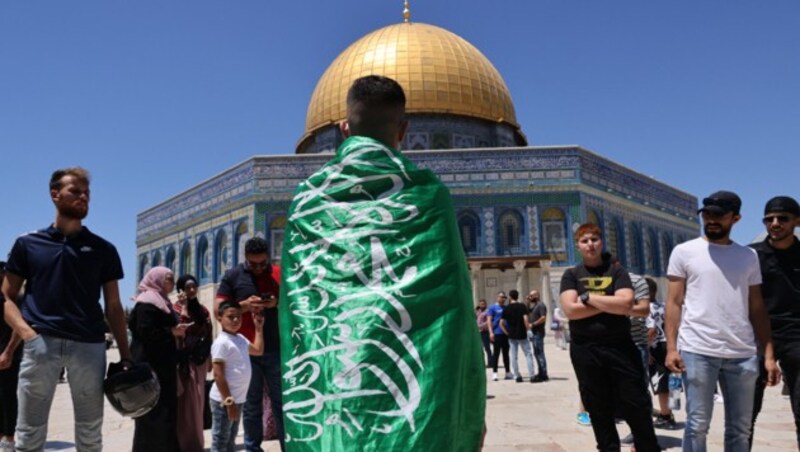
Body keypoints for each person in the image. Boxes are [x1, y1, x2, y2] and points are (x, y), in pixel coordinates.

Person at [279, 75, 485, 450]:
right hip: (410, 397)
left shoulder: (309, 201)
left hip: (336, 382)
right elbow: (453, 315)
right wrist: (466, 407)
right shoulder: (428, 193)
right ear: (403, 130)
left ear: (344, 129)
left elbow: (299, 310)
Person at [1, 167, 132, 451]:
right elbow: (6, 298)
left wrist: (126, 355)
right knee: (29, 435)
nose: (83, 196)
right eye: (75, 191)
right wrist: (27, 335)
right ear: (54, 194)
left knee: (89, 434)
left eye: (87, 192)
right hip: (41, 345)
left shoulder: (103, 249)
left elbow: (113, 306)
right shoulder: (28, 244)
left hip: (89, 347)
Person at [665, 190, 780, 451]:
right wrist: (672, 348)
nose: (712, 220)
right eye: (707, 214)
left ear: (735, 218)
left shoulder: (748, 256)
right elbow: (673, 302)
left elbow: (757, 307)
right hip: (698, 349)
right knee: (696, 425)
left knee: (740, 428)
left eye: (719, 215)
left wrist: (769, 354)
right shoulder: (684, 252)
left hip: (742, 351)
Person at [560, 223, 659, 451]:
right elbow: (571, 311)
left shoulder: (617, 272)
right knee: (597, 406)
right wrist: (608, 302)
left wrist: (587, 298)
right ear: (578, 245)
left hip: (620, 347)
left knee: (636, 403)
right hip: (585, 349)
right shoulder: (572, 274)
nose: (590, 244)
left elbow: (626, 304)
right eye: (584, 241)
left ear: (601, 241)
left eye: (594, 239)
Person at [216, 237, 283, 452]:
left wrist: (277, 302)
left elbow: (297, 303)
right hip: (246, 351)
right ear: (245, 259)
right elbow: (219, 310)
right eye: (253, 264)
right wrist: (243, 306)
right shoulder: (233, 276)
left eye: (263, 263)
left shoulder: (277, 274)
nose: (258, 268)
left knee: (280, 402)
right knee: (252, 404)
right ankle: (253, 448)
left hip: (275, 348)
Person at [749, 196, 800, 449]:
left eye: (783, 218)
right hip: (756, 337)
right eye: (769, 219)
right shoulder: (750, 256)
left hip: (796, 337)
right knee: (745, 414)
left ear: (797, 221)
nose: (775, 223)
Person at [129, 266, 187, 452]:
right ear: (157, 280)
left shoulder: (161, 302)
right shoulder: (147, 303)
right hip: (151, 369)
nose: (171, 282)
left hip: (163, 368)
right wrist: (171, 331)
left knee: (165, 415)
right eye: (168, 279)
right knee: (152, 417)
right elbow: (145, 332)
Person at [210, 301, 264, 452]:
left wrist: (258, 328)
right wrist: (229, 402)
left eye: (238, 317)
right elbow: (218, 374)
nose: (235, 320)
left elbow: (258, 351)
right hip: (224, 400)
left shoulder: (240, 338)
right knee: (220, 440)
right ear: (219, 318)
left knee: (230, 442)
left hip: (238, 399)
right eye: (230, 317)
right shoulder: (222, 342)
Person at [175, 274, 213, 452]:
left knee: (198, 402)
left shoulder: (202, 310)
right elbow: (180, 334)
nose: (191, 290)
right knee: (186, 404)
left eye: (193, 286)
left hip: (200, 361)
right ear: (180, 289)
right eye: (187, 287)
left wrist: (210, 358)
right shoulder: (175, 309)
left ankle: (196, 444)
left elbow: (208, 333)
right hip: (184, 362)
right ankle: (185, 444)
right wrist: (183, 308)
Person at [645, 277, 676, 430]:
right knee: (673, 382)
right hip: (670, 344)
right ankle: (672, 410)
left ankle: (665, 416)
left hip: (657, 347)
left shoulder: (647, 308)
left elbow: (651, 330)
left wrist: (647, 349)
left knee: (660, 382)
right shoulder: (662, 305)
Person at [0, 262, 22, 451]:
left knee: (7, 396)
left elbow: (20, 327)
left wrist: (9, 351)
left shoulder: (15, 299)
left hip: (10, 354)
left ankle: (9, 437)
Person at [501, 289, 535, 383]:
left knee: (513, 356)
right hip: (522, 334)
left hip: (512, 335)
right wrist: (528, 329)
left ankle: (517, 376)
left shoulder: (507, 308)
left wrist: (506, 333)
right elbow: (525, 319)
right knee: (528, 354)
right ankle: (532, 375)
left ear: (510, 297)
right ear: (517, 296)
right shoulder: (522, 306)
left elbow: (501, 323)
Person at [487, 291, 512, 381]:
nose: (503, 299)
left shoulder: (506, 308)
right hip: (497, 333)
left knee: (506, 354)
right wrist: (491, 332)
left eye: (504, 297)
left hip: (505, 333)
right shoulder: (492, 307)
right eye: (501, 297)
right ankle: (495, 372)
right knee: (496, 353)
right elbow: (489, 320)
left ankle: (508, 372)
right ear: (497, 297)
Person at [526, 290, 549, 382]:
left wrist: (533, 324)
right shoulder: (534, 306)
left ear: (536, 295)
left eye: (531, 296)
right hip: (534, 332)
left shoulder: (541, 305)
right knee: (537, 353)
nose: (530, 297)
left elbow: (543, 318)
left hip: (538, 332)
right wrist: (527, 302)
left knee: (540, 353)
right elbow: (527, 311)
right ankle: (541, 372)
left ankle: (543, 374)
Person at [475, 299, 492, 367]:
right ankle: (481, 363)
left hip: (485, 332)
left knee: (487, 348)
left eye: (483, 304)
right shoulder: (478, 312)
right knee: (479, 349)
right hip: (478, 332)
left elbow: (488, 322)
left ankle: (490, 363)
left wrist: (479, 326)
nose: (482, 305)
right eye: (481, 304)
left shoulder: (487, 311)